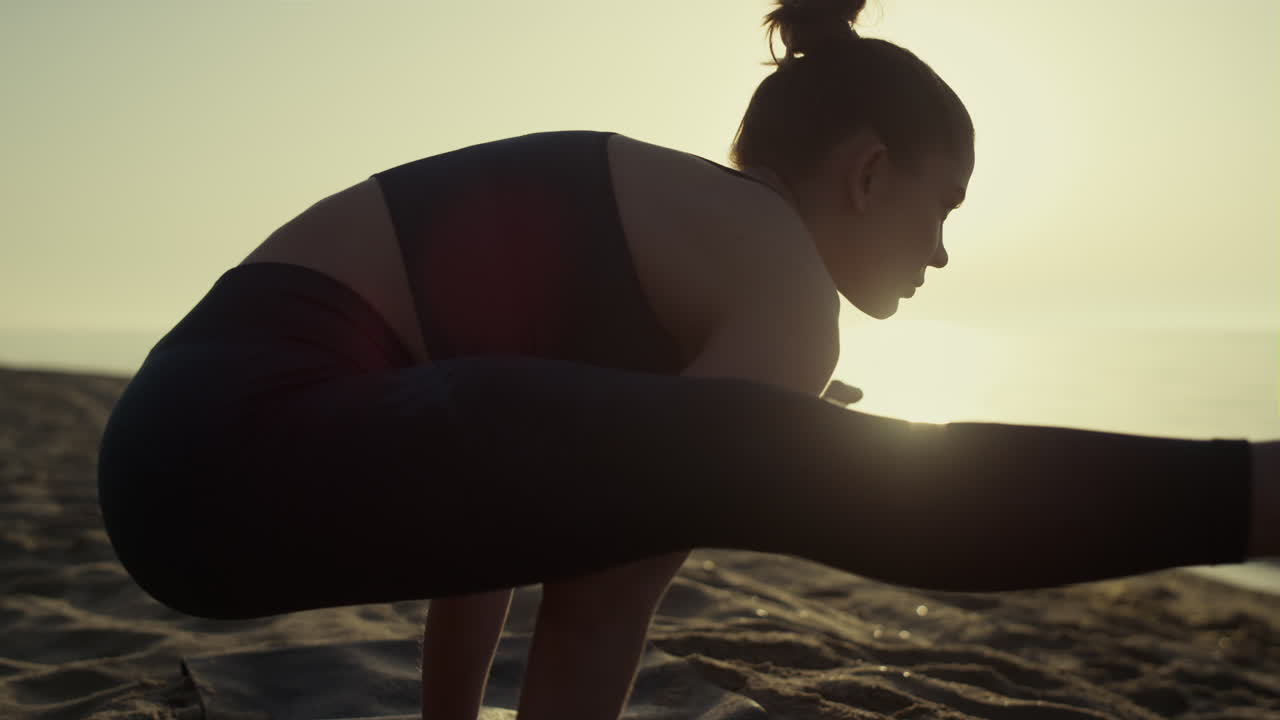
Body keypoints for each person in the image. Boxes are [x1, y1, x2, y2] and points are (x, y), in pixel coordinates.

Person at [95, 2, 1278, 719]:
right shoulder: (776, 271)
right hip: (248, 446)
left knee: (742, 448)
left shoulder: (660, 231)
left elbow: (477, 511)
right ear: (866, 172)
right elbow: (602, 605)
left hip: (175, 455)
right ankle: (1252, 494)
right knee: (814, 464)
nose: (940, 253)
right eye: (942, 205)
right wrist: (770, 427)